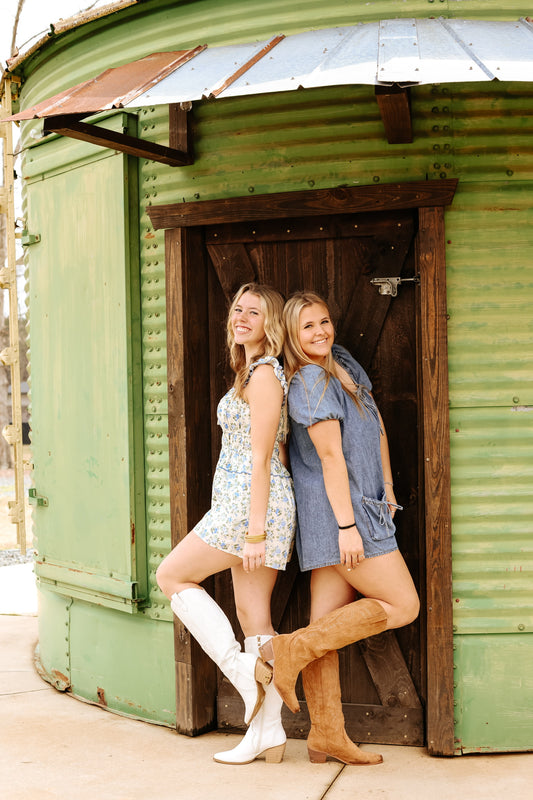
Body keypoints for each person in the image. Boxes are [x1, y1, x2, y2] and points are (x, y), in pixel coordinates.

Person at [259, 290, 420, 766]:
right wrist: (348, 527)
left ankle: (326, 735)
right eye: (308, 326)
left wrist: (387, 485)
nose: (321, 332)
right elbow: (329, 457)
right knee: (404, 605)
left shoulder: (340, 362)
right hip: (342, 515)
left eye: (324, 321)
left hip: (362, 506)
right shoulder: (309, 380)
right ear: (291, 334)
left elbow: (376, 424)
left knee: (325, 625)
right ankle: (288, 652)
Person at [156, 283, 295, 765]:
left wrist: (256, 530)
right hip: (252, 502)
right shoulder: (253, 372)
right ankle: (269, 732)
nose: (241, 317)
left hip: (248, 506)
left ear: (269, 324)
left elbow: (263, 458)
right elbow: (277, 448)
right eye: (238, 309)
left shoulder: (263, 375)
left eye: (253, 312)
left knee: (171, 575)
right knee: (255, 620)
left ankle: (241, 672)